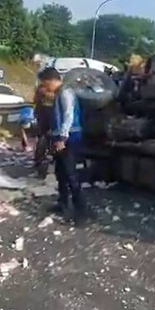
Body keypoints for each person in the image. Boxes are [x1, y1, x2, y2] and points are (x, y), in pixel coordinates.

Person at [38, 67, 92, 225]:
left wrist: (62, 137)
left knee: (71, 175)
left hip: (70, 139)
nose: (45, 86)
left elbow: (68, 116)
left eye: (45, 83)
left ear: (52, 80)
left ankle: (81, 212)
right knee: (60, 172)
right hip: (61, 139)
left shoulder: (65, 93)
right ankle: (63, 204)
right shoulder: (58, 93)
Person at [33, 78, 55, 178]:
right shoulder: (48, 90)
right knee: (45, 138)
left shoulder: (41, 89)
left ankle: (39, 159)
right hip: (47, 117)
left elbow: (35, 102)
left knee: (42, 139)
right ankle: (42, 159)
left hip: (42, 117)